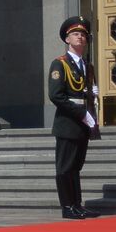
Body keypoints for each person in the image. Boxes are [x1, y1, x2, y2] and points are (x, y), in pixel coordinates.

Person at [48, 16, 100, 219]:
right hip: (68, 122)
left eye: (84, 34)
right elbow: (56, 96)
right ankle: (67, 206)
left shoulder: (87, 66)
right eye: (76, 34)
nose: (81, 37)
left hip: (83, 122)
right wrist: (82, 113)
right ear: (67, 39)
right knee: (65, 167)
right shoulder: (60, 64)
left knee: (76, 166)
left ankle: (77, 204)